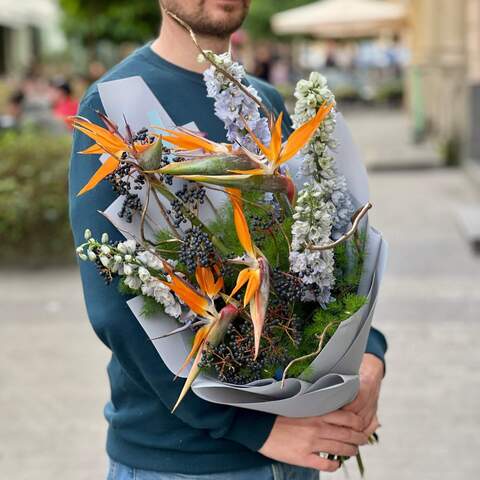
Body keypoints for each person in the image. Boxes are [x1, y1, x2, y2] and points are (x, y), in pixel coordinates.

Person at [69, 1, 387, 479]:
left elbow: (325, 254)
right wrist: (254, 430)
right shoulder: (116, 103)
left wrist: (368, 356)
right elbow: (117, 304)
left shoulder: (262, 102)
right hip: (186, 461)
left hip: (297, 450)